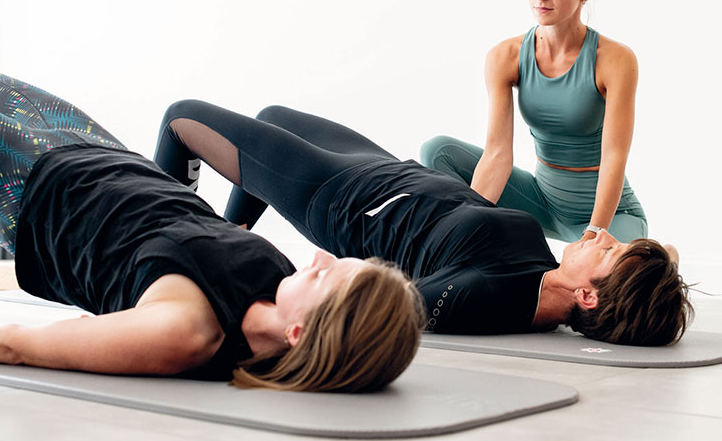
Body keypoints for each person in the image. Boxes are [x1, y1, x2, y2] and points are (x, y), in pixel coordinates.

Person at [0, 73, 424, 392]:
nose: (319, 258)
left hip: (37, 193)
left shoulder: (183, 334)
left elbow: (21, 345)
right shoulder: (279, 283)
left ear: (297, 335)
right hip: (109, 158)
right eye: (337, 261)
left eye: (325, 277)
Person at [154, 100, 692, 346]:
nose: (600, 234)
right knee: (269, 116)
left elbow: (385, 305)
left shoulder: (489, 297)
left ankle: (167, 252)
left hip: (339, 196)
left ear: (589, 298)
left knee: (182, 120)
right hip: (379, 168)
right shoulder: (540, 267)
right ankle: (228, 236)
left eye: (609, 251)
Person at [421, 0, 647, 243]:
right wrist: (467, 231)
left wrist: (593, 237)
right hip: (541, 201)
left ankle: (662, 253)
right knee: (438, 151)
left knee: (598, 287)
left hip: (609, 215)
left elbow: (614, 158)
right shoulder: (506, 56)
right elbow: (498, 154)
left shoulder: (615, 60)